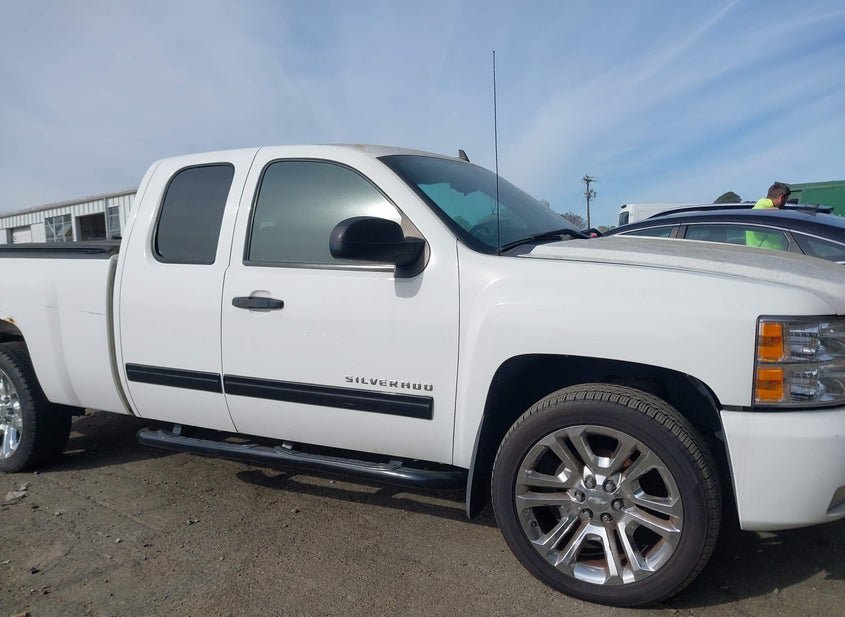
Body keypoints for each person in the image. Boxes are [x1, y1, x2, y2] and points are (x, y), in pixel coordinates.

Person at [746, 182, 791, 249]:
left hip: (756, 252)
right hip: (768, 253)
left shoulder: (757, 208)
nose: (785, 203)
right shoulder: (767, 211)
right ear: (781, 198)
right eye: (786, 200)